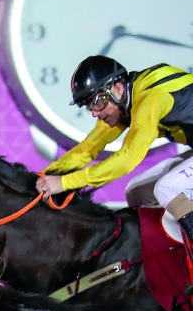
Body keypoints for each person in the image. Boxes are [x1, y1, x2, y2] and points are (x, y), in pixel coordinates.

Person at [36, 55, 193, 242]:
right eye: (89, 106)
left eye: (97, 102)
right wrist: (42, 176)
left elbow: (127, 159)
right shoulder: (123, 102)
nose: (95, 112)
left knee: (166, 188)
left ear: (117, 88)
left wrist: (66, 182)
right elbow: (87, 149)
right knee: (136, 192)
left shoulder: (150, 100)